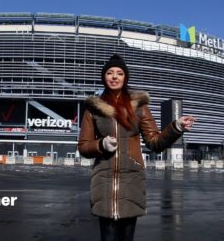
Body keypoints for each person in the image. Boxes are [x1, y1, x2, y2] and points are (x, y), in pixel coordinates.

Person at [77, 54, 195, 241]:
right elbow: (83, 147)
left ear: (125, 78)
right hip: (103, 182)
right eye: (109, 73)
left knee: (127, 237)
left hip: (131, 181)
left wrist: (176, 127)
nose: (114, 77)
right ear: (104, 77)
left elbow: (155, 142)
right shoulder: (94, 108)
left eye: (119, 73)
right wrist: (101, 144)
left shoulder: (138, 107)